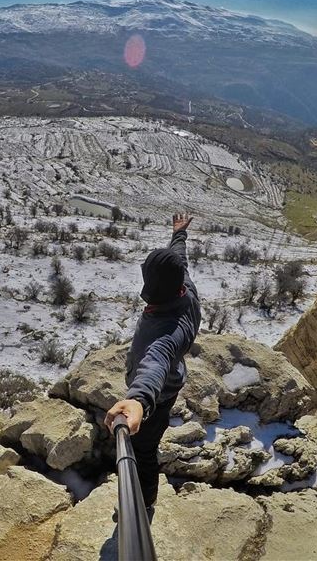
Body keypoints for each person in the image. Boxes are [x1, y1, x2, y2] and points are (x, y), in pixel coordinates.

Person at [105, 212, 201, 519]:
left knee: (143, 451)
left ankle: (144, 506)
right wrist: (179, 234)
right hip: (170, 381)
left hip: (156, 398)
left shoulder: (164, 333)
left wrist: (138, 401)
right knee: (143, 447)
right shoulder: (184, 290)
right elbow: (179, 259)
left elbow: (154, 366)